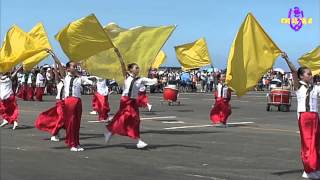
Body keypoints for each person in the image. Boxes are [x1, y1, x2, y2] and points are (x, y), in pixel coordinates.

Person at [104, 49, 157, 149]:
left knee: (135, 120)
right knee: (125, 118)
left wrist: (155, 79)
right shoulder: (126, 76)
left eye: (138, 68)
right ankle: (137, 140)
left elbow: (151, 81)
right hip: (125, 100)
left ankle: (111, 132)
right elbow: (122, 64)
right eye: (136, 68)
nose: (138, 69)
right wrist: (119, 54)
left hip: (133, 101)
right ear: (131, 70)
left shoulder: (141, 79)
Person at [282, 52, 320, 179]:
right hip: (305, 117)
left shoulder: (316, 88)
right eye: (308, 74)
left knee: (316, 144)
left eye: (311, 73)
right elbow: (293, 71)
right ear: (301, 76)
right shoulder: (299, 86)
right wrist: (287, 58)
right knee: (308, 144)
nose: (311, 75)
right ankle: (308, 170)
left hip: (315, 117)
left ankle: (314, 168)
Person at [35, 50, 66, 142]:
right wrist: (54, 56)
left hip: (67, 103)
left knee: (63, 119)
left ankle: (58, 131)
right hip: (60, 103)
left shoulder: (66, 80)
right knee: (61, 118)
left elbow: (59, 67)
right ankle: (54, 134)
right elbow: (58, 68)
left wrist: (55, 62)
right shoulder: (59, 82)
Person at [63, 60, 93, 152]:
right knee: (71, 122)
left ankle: (76, 142)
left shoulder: (79, 78)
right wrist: (54, 56)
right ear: (68, 68)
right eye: (73, 66)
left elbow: (90, 82)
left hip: (78, 100)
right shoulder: (65, 77)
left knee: (77, 123)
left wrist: (79, 74)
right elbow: (60, 67)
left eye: (76, 67)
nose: (75, 68)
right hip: (69, 100)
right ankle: (72, 143)